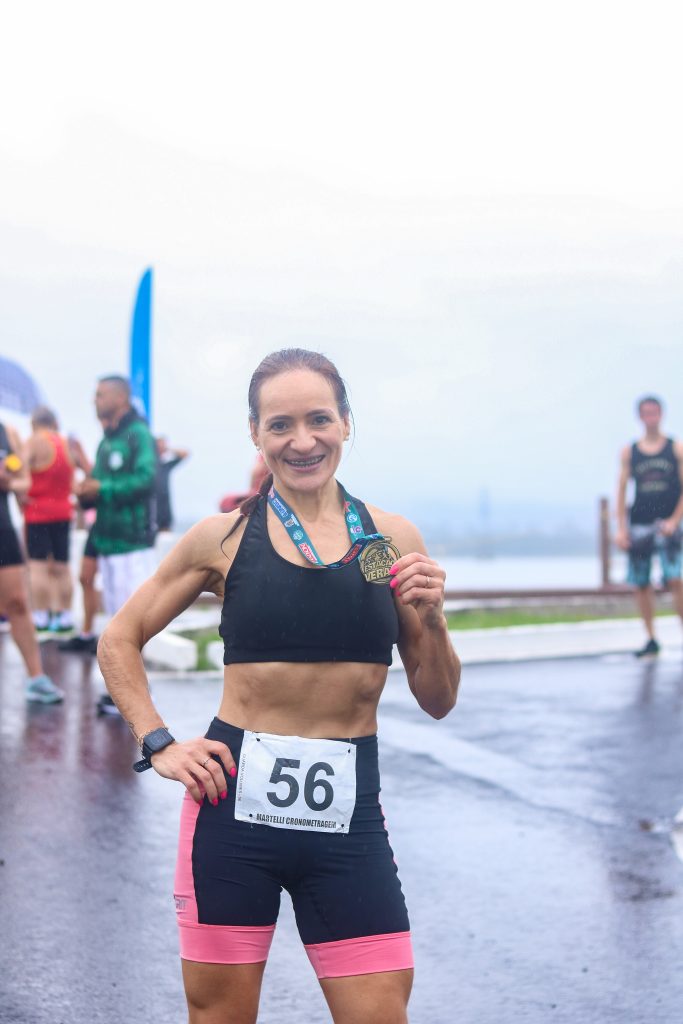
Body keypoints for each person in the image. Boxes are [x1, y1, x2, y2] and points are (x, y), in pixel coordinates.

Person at [98, 348, 460, 1023]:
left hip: (349, 823)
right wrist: (159, 743)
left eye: (318, 419)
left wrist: (434, 620)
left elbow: (437, 699)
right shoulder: (223, 539)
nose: (302, 441)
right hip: (231, 816)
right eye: (280, 425)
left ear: (346, 423)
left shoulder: (386, 539)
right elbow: (118, 638)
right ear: (255, 433)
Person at [73, 376, 157, 712]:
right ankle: (122, 693)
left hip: (132, 543)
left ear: (121, 398)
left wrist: (102, 489)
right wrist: (86, 493)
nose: (94, 400)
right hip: (108, 542)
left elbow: (147, 480)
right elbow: (98, 482)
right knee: (116, 621)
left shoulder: (138, 434)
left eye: (100, 395)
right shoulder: (106, 441)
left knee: (134, 621)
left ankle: (139, 697)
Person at [0, 420, 64, 702]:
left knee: (17, 601)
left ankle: (36, 678)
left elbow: (24, 480)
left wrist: (9, 481)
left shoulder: (7, 432)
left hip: (2, 525)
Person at [616, 394, 683, 657]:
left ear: (661, 414)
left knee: (676, 579)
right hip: (640, 523)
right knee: (641, 582)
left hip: (668, 524)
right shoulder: (630, 451)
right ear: (640, 417)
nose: (651, 418)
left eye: (654, 412)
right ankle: (651, 638)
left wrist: (675, 520)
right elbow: (622, 490)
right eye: (646, 413)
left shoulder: (675, 448)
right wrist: (621, 528)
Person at [22, 406, 81, 633]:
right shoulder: (66, 444)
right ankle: (65, 618)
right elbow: (74, 483)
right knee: (61, 566)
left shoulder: (34, 441)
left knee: (37, 567)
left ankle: (42, 618)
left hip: (38, 513)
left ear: (34, 423)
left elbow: (19, 471)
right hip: (63, 512)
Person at [154, 436, 189, 532]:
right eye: (159, 444)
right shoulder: (149, 465)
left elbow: (185, 454)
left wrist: (167, 449)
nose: (161, 447)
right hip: (151, 513)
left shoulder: (165, 466)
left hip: (165, 513)